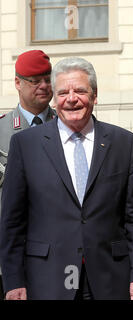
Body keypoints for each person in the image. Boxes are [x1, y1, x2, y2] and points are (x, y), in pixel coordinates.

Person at [0, 57, 133, 300]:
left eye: (80, 90)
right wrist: (13, 280)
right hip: (46, 280)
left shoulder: (123, 143)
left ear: (94, 95)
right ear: (54, 98)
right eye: (63, 92)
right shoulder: (25, 145)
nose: (71, 98)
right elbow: (12, 222)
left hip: (109, 280)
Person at [0, 49, 55, 299]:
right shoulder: (2, 131)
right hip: (9, 257)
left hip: (56, 254)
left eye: (47, 79)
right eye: (35, 81)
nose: (44, 86)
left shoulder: (70, 124)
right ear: (17, 83)